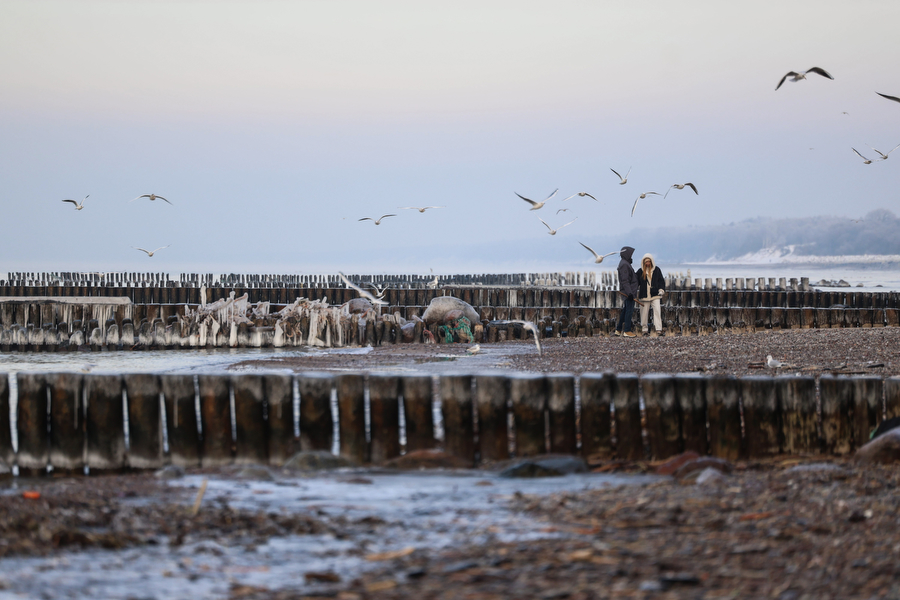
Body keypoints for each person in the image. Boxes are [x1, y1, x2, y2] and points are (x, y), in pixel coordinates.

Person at [636, 253, 665, 335]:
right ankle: (644, 329)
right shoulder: (640, 271)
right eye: (646, 262)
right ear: (643, 262)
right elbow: (635, 282)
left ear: (652, 261)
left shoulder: (657, 270)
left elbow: (661, 281)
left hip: (655, 295)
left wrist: (661, 290)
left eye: (649, 261)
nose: (647, 263)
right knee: (644, 314)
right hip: (644, 296)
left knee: (657, 312)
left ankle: (658, 329)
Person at [615, 246, 638, 337]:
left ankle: (618, 329)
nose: (631, 256)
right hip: (628, 292)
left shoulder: (625, 263)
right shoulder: (624, 264)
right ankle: (627, 330)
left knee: (625, 310)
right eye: (630, 254)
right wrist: (629, 293)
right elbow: (625, 281)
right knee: (629, 311)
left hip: (628, 291)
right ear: (627, 254)